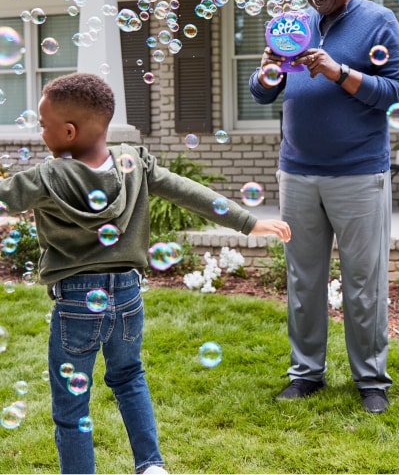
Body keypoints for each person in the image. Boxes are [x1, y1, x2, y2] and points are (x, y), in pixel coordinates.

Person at [0, 72, 291, 474]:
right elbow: (186, 190)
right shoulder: (133, 160)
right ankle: (151, 465)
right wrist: (248, 222)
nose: (40, 131)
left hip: (75, 303)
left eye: (43, 125)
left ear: (68, 131)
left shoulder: (46, 178)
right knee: (129, 377)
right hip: (127, 296)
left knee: (71, 407)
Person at [249, 0, 399, 413]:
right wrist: (265, 75)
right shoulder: (291, 25)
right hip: (296, 172)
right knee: (303, 281)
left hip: (358, 173)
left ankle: (371, 382)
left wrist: (339, 71)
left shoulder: (378, 21)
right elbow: (264, 93)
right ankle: (306, 374)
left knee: (364, 282)